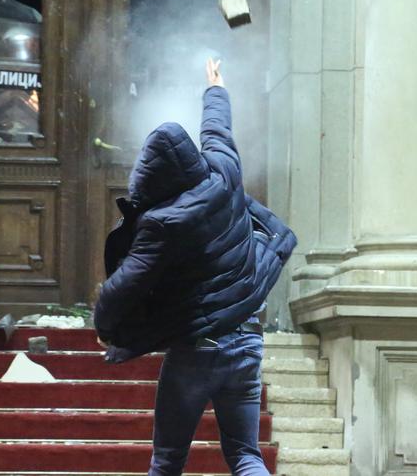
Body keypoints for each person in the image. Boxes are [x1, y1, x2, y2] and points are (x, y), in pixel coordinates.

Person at [93, 57, 297, 476]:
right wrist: (215, 88)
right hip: (247, 342)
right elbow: (217, 128)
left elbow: (123, 286)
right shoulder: (223, 170)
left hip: (196, 350)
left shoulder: (160, 223)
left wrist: (107, 328)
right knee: (246, 456)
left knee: (168, 459)